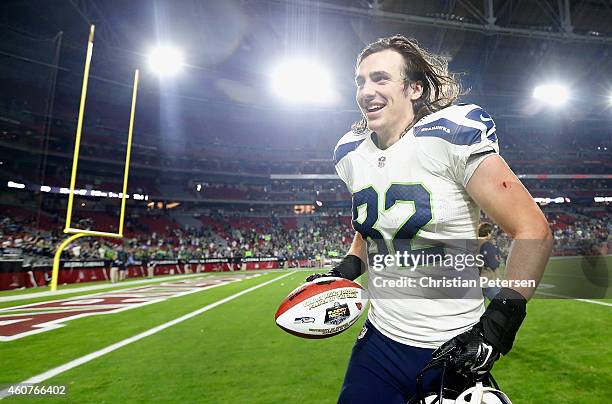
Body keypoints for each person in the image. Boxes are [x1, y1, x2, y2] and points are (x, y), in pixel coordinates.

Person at [307, 35, 552, 403]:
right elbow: (370, 226)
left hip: (452, 348)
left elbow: (533, 230)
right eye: (360, 81)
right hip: (379, 345)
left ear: (415, 88)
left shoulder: (450, 137)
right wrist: (347, 268)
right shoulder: (350, 153)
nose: (366, 90)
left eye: (380, 78)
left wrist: (499, 324)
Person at [478, 222, 502, 301]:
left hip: (477, 279)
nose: (492, 235)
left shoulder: (474, 243)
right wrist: (498, 261)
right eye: (491, 233)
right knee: (500, 304)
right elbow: (493, 264)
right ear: (488, 233)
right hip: (488, 279)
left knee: (481, 309)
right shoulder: (487, 244)